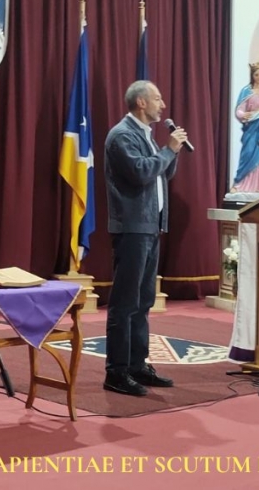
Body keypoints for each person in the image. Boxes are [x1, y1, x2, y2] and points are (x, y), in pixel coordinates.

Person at [103, 80, 187, 397]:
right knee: (125, 303)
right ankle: (117, 372)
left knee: (143, 302)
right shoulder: (122, 135)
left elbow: (161, 174)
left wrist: (169, 153)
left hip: (150, 226)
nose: (162, 104)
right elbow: (140, 173)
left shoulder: (145, 135)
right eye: (157, 98)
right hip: (132, 228)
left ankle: (137, 365)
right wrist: (170, 150)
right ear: (141, 103)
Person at [231, 62, 259, 193]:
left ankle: (256, 186)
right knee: (248, 153)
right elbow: (239, 110)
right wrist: (244, 114)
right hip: (251, 129)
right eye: (256, 75)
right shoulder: (246, 91)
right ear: (252, 75)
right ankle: (239, 184)